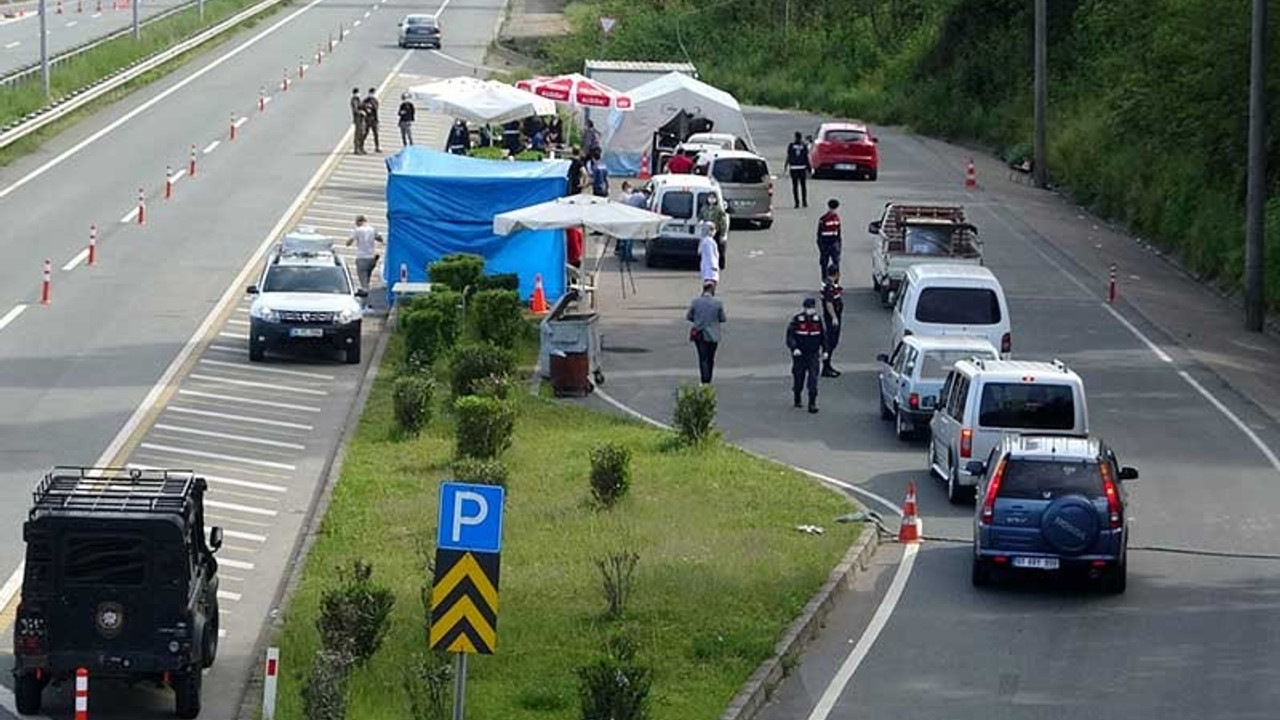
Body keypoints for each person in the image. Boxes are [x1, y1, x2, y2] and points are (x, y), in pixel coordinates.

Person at [786, 297, 827, 413]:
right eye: (808, 308)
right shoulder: (797, 320)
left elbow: (823, 337)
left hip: (813, 354)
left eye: (812, 308)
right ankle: (797, 395)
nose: (810, 310)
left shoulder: (817, 320)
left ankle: (812, 403)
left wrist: (825, 350)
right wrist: (794, 348)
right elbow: (790, 336)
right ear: (804, 308)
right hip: (800, 355)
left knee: (813, 379)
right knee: (799, 377)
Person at [687, 282, 726, 384]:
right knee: (710, 358)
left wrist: (698, 320)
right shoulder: (718, 303)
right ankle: (709, 378)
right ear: (712, 290)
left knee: (702, 358)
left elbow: (689, 316)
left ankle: (704, 380)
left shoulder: (695, 302)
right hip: (713, 335)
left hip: (699, 334)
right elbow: (722, 318)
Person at [345, 215, 384, 299]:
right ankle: (367, 298)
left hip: (362, 257)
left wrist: (348, 242)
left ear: (359, 222)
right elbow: (380, 238)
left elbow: (349, 242)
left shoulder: (358, 230)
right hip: (372, 258)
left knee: (363, 280)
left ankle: (366, 297)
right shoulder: (372, 229)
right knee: (367, 278)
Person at [820, 267, 844, 377]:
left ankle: (828, 365)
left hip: (833, 317)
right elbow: (829, 303)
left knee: (832, 343)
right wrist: (834, 317)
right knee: (831, 342)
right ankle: (826, 367)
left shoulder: (828, 284)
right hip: (832, 318)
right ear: (837, 274)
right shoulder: (829, 287)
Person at [699, 193, 728, 270]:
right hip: (706, 231)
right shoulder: (704, 208)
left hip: (716, 231)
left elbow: (723, 221)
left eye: (713, 198)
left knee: (717, 248)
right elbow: (700, 217)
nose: (711, 199)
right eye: (710, 198)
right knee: (707, 249)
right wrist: (701, 221)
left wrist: (723, 233)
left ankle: (719, 264)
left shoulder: (718, 209)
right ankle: (708, 264)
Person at [816, 198, 842, 281]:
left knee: (835, 264)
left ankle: (834, 281)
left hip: (832, 244)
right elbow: (819, 234)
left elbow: (839, 233)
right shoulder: (826, 219)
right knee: (825, 264)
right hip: (828, 244)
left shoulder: (834, 219)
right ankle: (826, 281)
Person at [786, 131, 810, 208]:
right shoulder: (804, 146)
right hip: (802, 168)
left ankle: (796, 202)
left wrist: (786, 165)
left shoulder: (791, 145)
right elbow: (806, 158)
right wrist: (809, 168)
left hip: (793, 168)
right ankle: (804, 201)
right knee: (803, 186)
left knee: (795, 186)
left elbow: (789, 156)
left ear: (795, 137)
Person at [698, 221, 720, 287]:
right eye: (713, 229)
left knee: (707, 283)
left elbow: (699, 252)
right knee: (711, 285)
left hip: (705, 267)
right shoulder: (709, 241)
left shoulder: (704, 240)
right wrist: (714, 267)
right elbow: (711, 256)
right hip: (711, 268)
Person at [362, 88, 381, 153]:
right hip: (367, 119)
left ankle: (377, 147)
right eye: (371, 93)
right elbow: (362, 107)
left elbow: (376, 109)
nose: (372, 95)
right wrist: (367, 108)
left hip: (374, 119)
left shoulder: (375, 101)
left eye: (373, 94)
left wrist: (377, 120)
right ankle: (361, 146)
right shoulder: (365, 100)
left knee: (376, 134)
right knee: (365, 133)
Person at [350, 87, 368, 154]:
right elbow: (355, 110)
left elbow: (361, 106)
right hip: (358, 119)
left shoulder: (358, 99)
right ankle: (357, 149)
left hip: (362, 118)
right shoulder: (354, 100)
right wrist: (361, 112)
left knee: (362, 133)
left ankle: (361, 147)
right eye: (357, 93)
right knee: (358, 134)